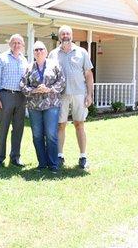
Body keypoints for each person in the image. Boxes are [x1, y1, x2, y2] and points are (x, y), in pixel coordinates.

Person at [48, 25, 94, 169]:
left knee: (79, 124)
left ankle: (83, 156)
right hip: (60, 95)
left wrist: (89, 94)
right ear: (59, 36)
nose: (65, 36)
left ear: (72, 36)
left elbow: (88, 75)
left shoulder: (82, 52)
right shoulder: (53, 54)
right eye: (63, 34)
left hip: (79, 93)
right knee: (60, 125)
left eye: (68, 33)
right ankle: (60, 155)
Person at [20, 41, 65, 172]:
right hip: (34, 106)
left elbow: (62, 81)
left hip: (51, 104)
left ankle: (53, 164)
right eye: (36, 50)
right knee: (37, 135)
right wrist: (33, 91)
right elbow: (22, 84)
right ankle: (42, 163)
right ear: (33, 53)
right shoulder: (29, 68)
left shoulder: (54, 65)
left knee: (51, 134)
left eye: (41, 49)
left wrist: (49, 89)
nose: (39, 52)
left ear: (46, 51)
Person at [0, 34, 28, 167]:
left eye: (19, 43)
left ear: (23, 45)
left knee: (18, 128)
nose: (16, 45)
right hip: (5, 96)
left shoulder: (24, 60)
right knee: (3, 128)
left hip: (21, 97)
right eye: (14, 42)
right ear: (10, 44)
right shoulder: (1, 59)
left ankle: (15, 157)